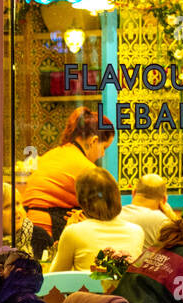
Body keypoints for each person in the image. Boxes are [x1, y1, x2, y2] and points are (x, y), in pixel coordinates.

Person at [22, 107, 114, 257]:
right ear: (94, 141)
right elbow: (106, 211)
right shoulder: (86, 168)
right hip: (47, 229)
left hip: (27, 224)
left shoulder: (54, 153)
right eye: (104, 148)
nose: (103, 154)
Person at [48, 168, 146, 274]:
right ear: (117, 196)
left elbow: (55, 277)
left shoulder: (73, 232)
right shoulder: (137, 231)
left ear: (82, 201)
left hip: (85, 290)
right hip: (125, 290)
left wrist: (67, 231)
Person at [120, 173, 177, 248]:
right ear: (164, 199)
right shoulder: (163, 222)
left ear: (133, 193)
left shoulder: (115, 214)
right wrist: (173, 218)